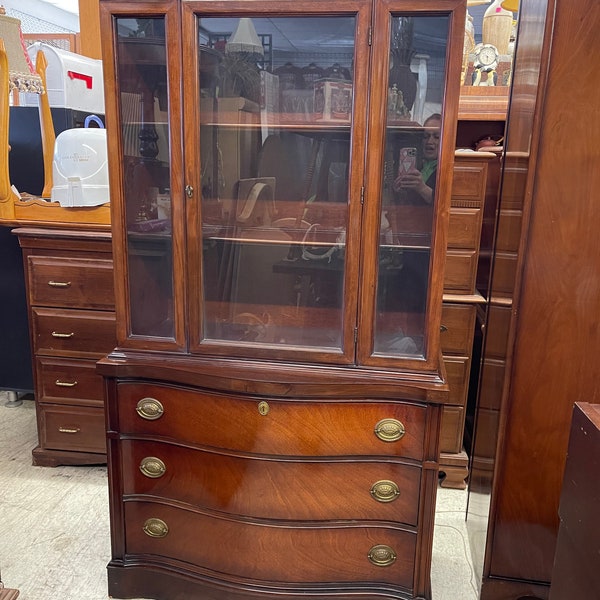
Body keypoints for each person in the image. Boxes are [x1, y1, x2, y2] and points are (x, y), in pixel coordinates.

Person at [393, 113, 441, 205]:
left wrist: (422, 188)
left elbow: (445, 205)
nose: (429, 141)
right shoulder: (416, 165)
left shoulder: (449, 170)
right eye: (425, 136)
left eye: (436, 137)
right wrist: (400, 192)